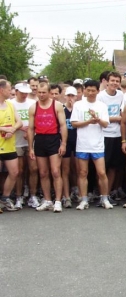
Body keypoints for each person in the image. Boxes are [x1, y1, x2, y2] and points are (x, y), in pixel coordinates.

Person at [70, 80, 111, 210]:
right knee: (82, 172)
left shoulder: (102, 106)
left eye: (93, 90)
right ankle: (84, 199)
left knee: (101, 172)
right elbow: (74, 123)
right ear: (84, 90)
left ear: (98, 91)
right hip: (82, 144)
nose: (91, 93)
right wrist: (88, 121)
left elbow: (106, 124)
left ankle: (105, 198)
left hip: (97, 145)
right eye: (88, 90)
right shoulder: (78, 105)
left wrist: (97, 119)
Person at [27, 82, 68, 213]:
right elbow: (30, 128)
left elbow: (63, 125)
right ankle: (47, 200)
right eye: (39, 92)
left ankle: (58, 201)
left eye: (44, 92)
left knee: (55, 171)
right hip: (40, 139)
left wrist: (63, 143)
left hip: (53, 139)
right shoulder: (33, 107)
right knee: (43, 173)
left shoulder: (57, 105)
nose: (41, 95)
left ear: (49, 92)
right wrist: (30, 147)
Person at [97, 72, 125, 202]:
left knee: (114, 166)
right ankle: (101, 194)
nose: (114, 83)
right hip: (103, 135)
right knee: (103, 168)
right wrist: (115, 118)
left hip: (117, 135)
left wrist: (118, 118)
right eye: (112, 80)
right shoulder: (100, 97)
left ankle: (107, 195)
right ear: (107, 81)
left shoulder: (121, 95)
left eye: (117, 81)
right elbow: (99, 117)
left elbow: (122, 114)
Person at [12, 82, 39, 209]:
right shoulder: (10, 104)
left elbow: (38, 120)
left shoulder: (33, 103)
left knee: (33, 168)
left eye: (26, 93)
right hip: (16, 141)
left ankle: (33, 195)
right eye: (22, 92)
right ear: (16, 91)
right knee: (19, 171)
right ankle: (19, 196)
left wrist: (31, 131)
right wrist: (21, 129)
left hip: (31, 141)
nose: (24, 95)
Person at [0, 79, 23, 212]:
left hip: (9, 145)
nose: (11, 92)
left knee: (14, 172)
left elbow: (19, 122)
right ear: (1, 90)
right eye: (9, 89)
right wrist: (4, 129)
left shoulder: (10, 104)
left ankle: (5, 198)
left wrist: (13, 129)